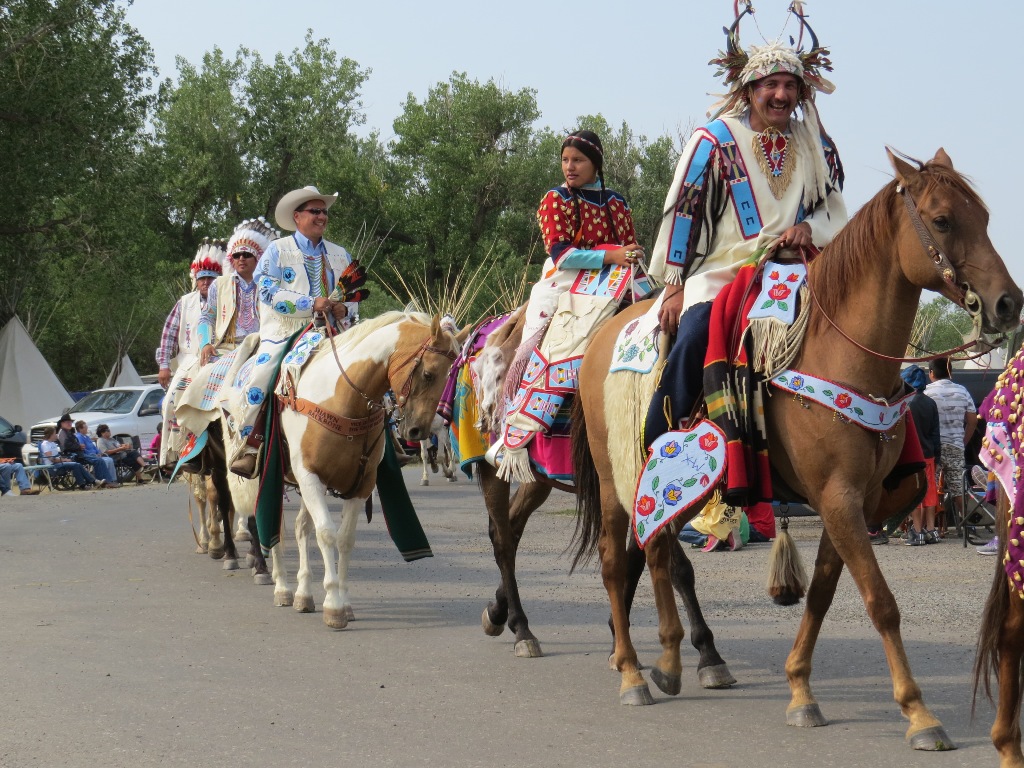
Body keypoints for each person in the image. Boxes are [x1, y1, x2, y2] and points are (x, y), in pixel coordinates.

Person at [645, 5, 848, 541]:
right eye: (771, 85)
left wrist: (808, 228)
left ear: (802, 93)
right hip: (723, 273)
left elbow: (832, 210)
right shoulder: (713, 140)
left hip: (798, 272)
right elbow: (683, 211)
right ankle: (665, 447)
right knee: (693, 337)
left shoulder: (818, 146)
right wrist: (672, 283)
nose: (781, 95)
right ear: (749, 88)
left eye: (791, 86)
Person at [496, 130, 644, 482]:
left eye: (578, 160)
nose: (569, 167)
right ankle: (512, 424)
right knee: (536, 344)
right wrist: (613, 254)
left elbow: (630, 245)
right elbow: (562, 255)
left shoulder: (617, 203)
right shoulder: (555, 199)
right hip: (564, 281)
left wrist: (632, 256)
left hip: (615, 282)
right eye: (565, 160)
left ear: (595, 165)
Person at [230, 186, 357, 478]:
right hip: (287, 331)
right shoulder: (277, 251)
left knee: (374, 367)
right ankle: (251, 444)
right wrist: (310, 303)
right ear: (297, 216)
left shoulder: (340, 254)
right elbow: (266, 290)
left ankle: (385, 441)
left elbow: (351, 294)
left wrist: (344, 309)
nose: (322, 216)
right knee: (262, 375)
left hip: (335, 330)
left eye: (324, 211)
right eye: (315, 211)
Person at [155, 240, 225, 467]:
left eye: (211, 278)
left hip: (221, 359)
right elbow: (168, 336)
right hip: (188, 362)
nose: (206, 282)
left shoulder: (227, 299)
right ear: (195, 279)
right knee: (171, 404)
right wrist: (164, 365)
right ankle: (183, 452)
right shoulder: (185, 303)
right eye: (202, 278)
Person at [198, 218, 277, 366]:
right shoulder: (219, 284)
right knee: (208, 376)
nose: (241, 258)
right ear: (232, 259)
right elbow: (207, 317)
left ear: (258, 258)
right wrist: (206, 344)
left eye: (247, 255)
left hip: (263, 345)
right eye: (236, 255)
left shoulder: (269, 284)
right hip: (227, 348)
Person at [925, 356, 978, 536]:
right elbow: (972, 422)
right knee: (958, 487)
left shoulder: (926, 393)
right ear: (951, 372)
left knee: (931, 487)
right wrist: (962, 442)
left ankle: (929, 528)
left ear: (931, 373)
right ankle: (967, 526)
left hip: (934, 448)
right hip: (956, 446)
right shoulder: (963, 391)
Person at [899, 365, 942, 545]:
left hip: (912, 456)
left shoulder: (906, 405)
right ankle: (931, 530)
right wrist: (937, 457)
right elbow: (935, 434)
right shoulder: (930, 403)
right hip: (929, 454)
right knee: (930, 492)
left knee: (914, 494)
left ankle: (917, 532)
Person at [73, 419, 120, 488]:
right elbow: (83, 449)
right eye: (85, 428)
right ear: (80, 429)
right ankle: (106, 481)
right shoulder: (79, 437)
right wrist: (95, 454)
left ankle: (112, 480)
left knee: (109, 459)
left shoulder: (87, 437)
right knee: (105, 460)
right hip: (89, 455)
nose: (87, 429)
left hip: (96, 455)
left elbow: (93, 447)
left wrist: (99, 453)